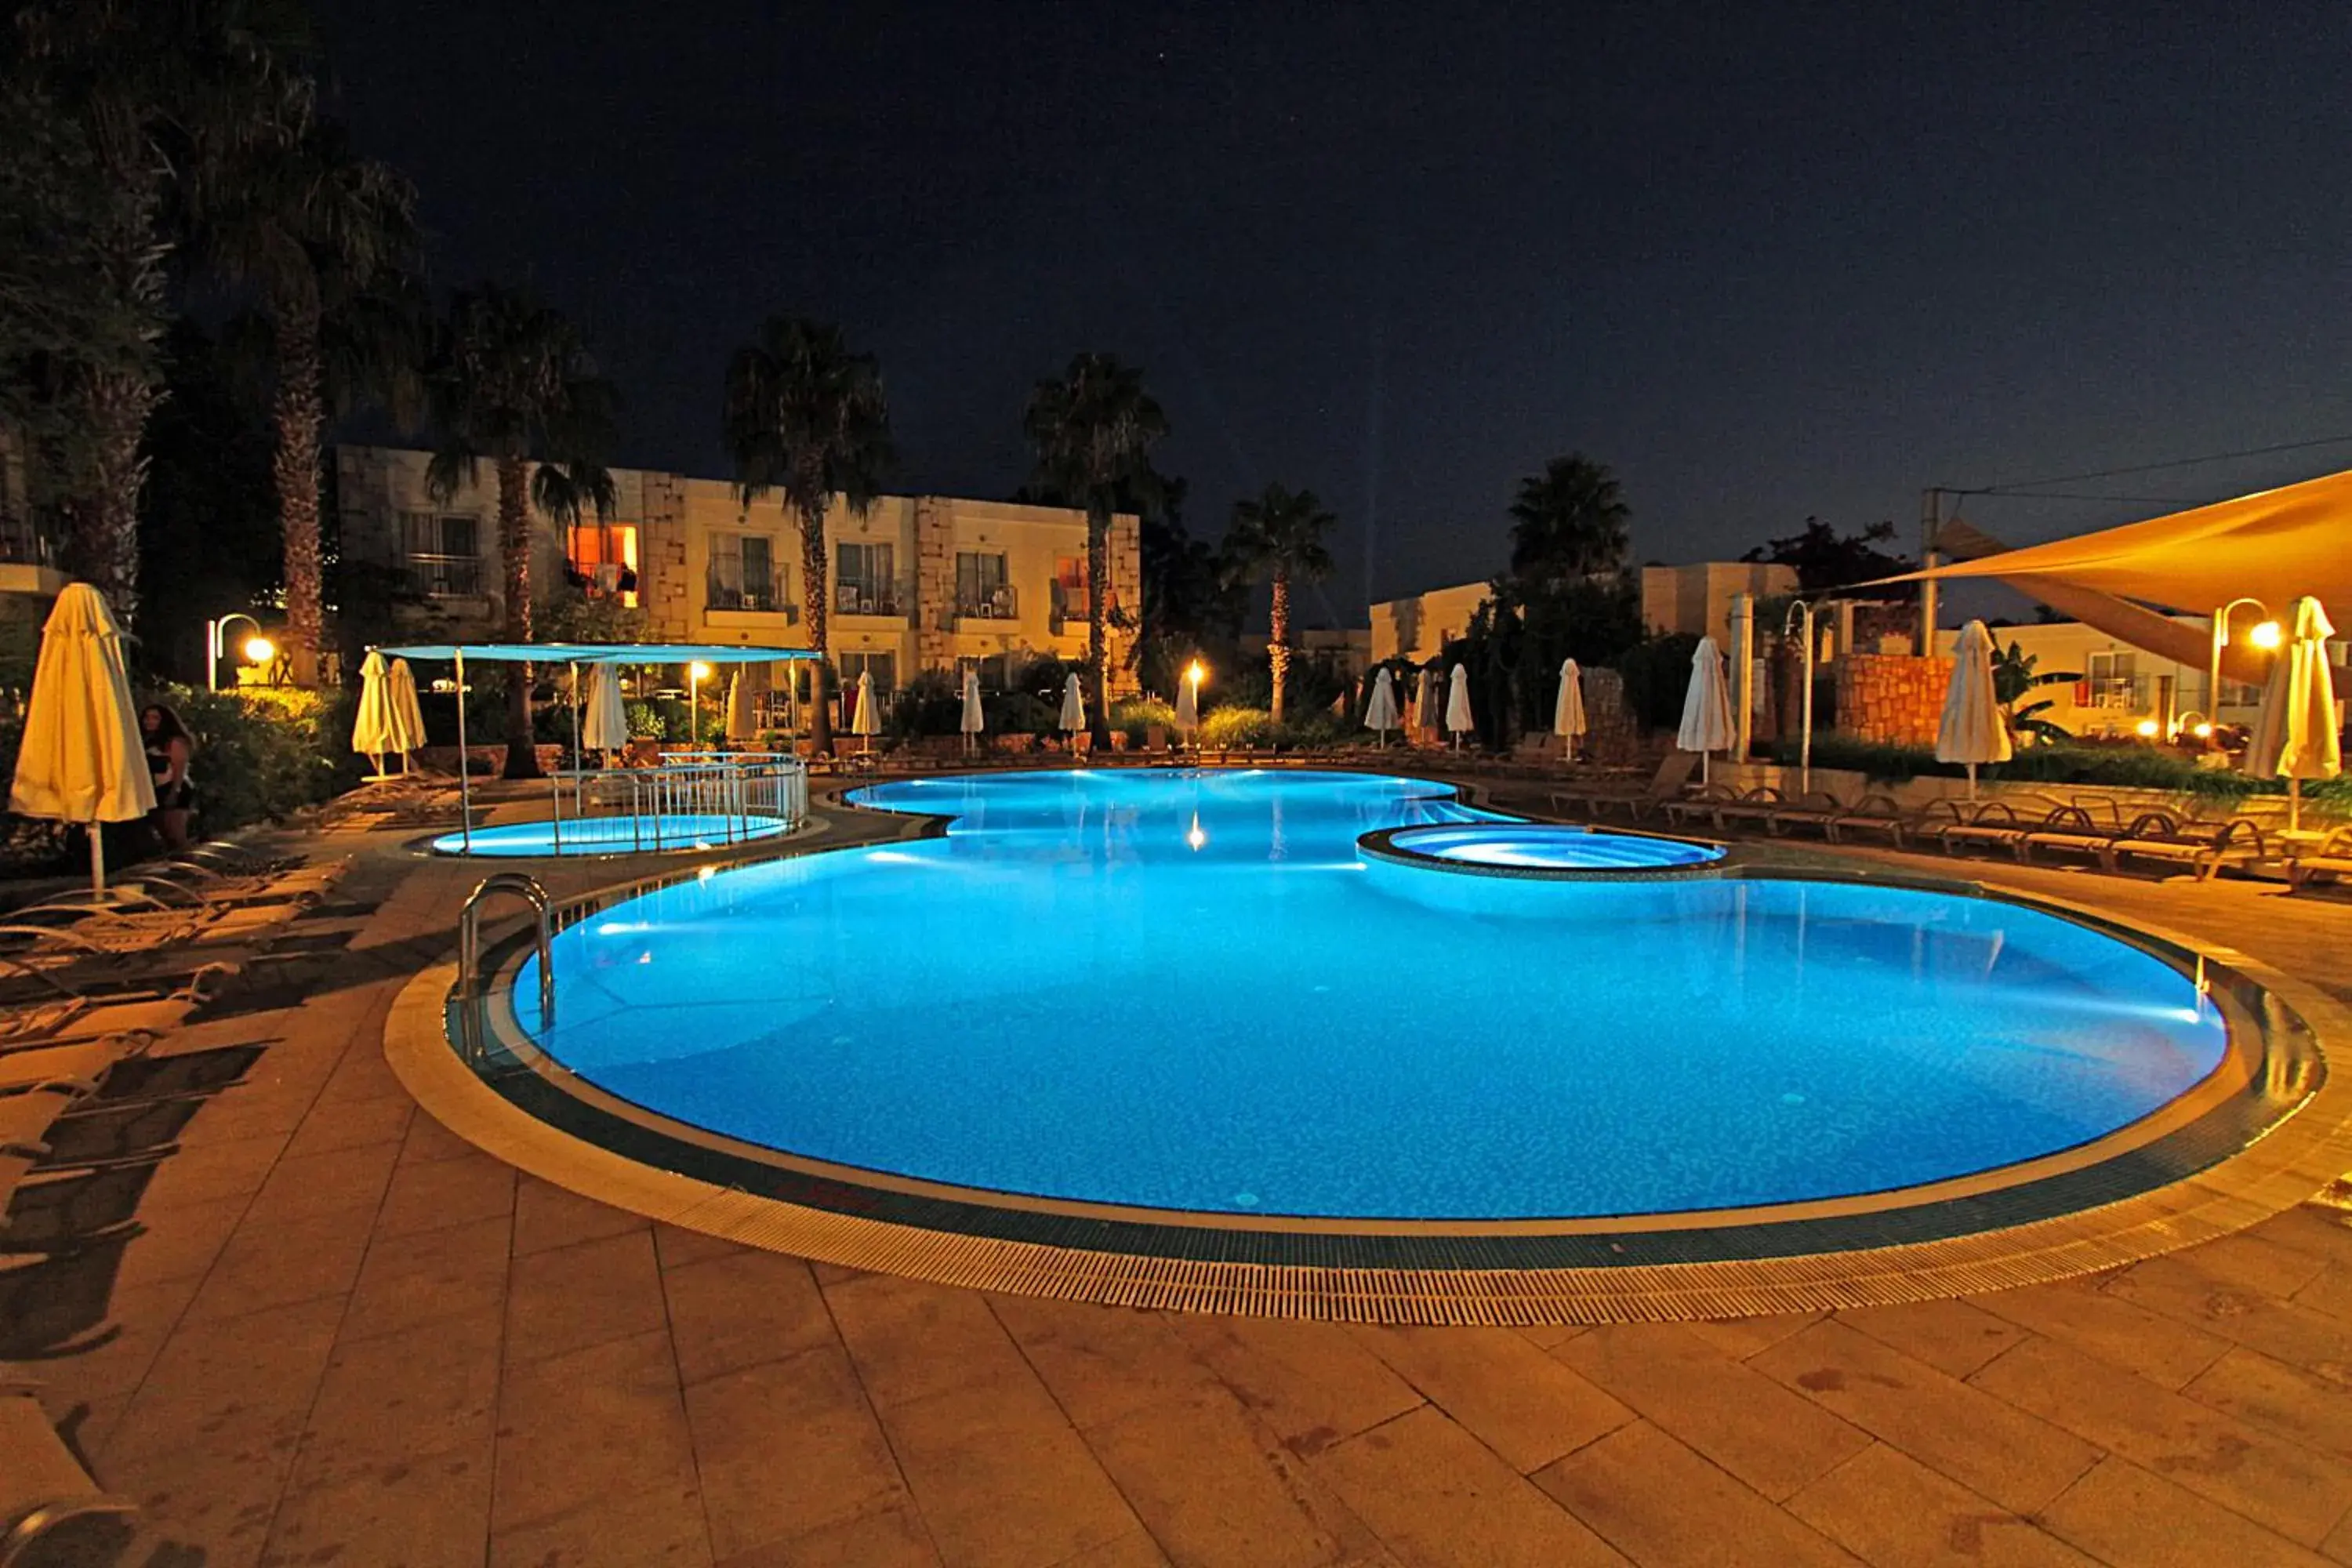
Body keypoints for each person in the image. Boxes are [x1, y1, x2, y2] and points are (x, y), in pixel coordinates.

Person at [141, 703, 196, 851]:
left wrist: (174, 791)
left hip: (174, 786)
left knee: (176, 835)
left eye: (155, 718)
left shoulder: (175, 741)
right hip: (157, 789)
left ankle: (189, 866)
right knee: (166, 835)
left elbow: (180, 767)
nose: (149, 721)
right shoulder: (147, 741)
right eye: (147, 717)